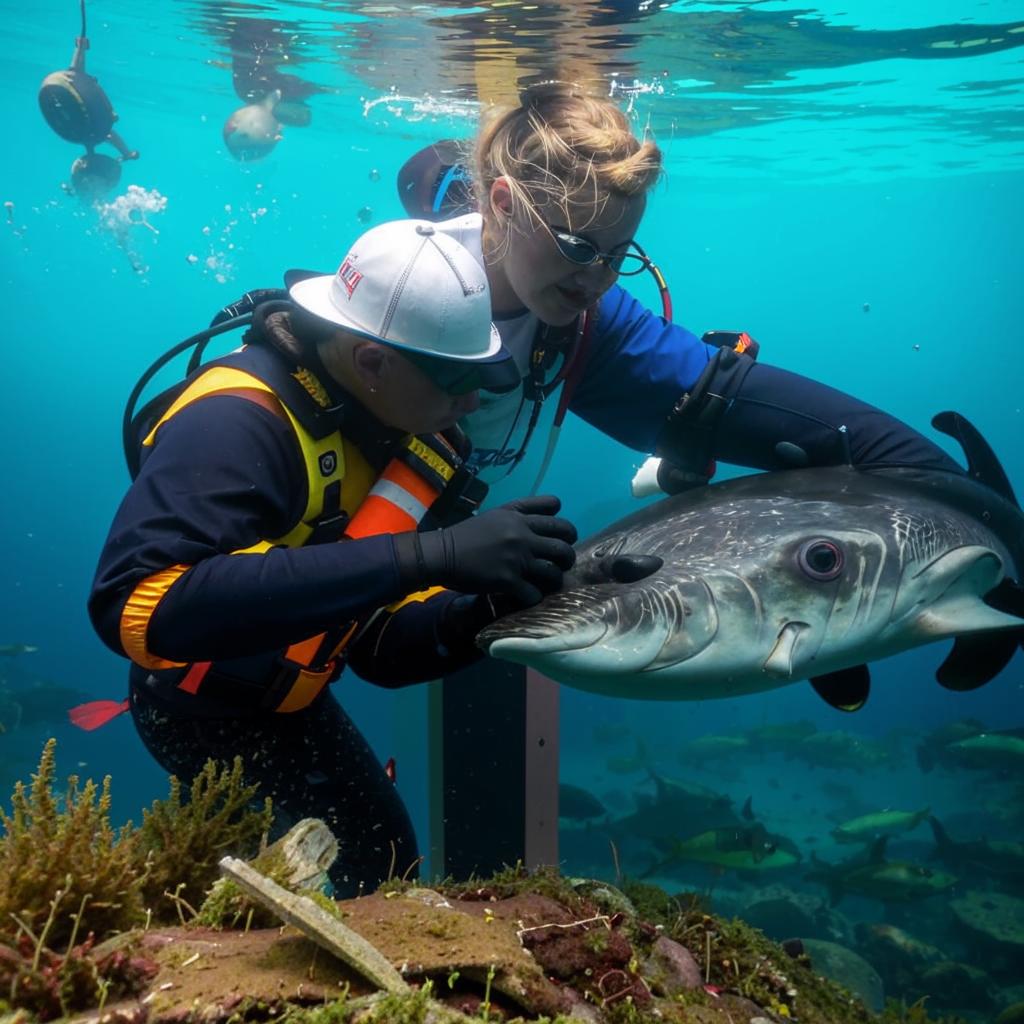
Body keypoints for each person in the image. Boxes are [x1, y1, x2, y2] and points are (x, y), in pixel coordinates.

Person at [86, 219, 578, 895]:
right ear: (372, 361)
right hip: (194, 711)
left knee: (383, 861)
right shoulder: (234, 419)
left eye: (483, 377)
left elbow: (377, 648)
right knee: (269, 893)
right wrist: (427, 556)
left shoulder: (406, 430)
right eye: (455, 379)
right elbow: (141, 606)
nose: (470, 402)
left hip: (292, 701)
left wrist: (491, 607)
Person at [395, 81, 962, 488]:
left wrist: (957, 494)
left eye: (619, 256)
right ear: (503, 203)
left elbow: (790, 418)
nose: (597, 280)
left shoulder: (587, 320)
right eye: (579, 247)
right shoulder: (395, 302)